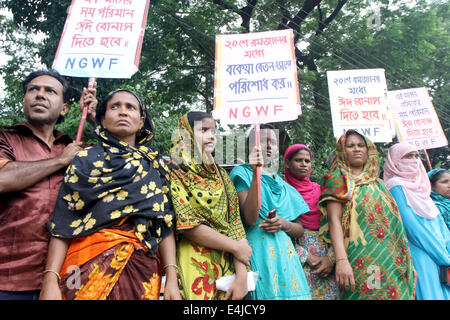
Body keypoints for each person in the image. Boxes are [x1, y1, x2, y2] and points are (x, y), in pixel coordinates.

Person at [39, 89, 180, 300]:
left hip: (141, 268)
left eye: (130, 107)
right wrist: (50, 279)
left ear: (141, 122)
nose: (123, 112)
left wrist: (171, 279)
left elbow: (164, 224)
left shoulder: (157, 165)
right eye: (115, 107)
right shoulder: (85, 159)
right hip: (85, 264)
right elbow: (64, 221)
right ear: (102, 121)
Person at [0, 69, 97, 300]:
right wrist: (61, 161)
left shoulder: (76, 148)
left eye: (50, 91)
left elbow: (126, 159)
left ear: (64, 108)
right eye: (33, 90)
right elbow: (3, 179)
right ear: (24, 102)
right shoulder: (6, 139)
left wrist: (96, 121)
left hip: (64, 277)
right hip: (8, 278)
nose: (40, 95)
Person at [318, 130, 415, 300]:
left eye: (361, 145)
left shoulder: (380, 184)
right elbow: (334, 221)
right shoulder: (337, 179)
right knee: (370, 294)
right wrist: (341, 260)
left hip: (392, 259)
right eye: (350, 146)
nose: (357, 149)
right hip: (362, 258)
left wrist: (408, 262)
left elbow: (395, 226)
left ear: (368, 149)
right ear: (342, 150)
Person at [168, 111, 251, 300]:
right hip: (192, 262)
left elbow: (235, 224)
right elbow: (188, 225)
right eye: (204, 130)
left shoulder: (222, 176)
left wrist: (242, 274)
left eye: (213, 130)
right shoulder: (174, 171)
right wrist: (236, 248)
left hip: (229, 264)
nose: (211, 136)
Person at [230, 124, 311, 300]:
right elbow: (251, 218)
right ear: (251, 145)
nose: (268, 146)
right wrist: (255, 173)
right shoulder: (241, 173)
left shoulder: (283, 184)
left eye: (272, 142)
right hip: (257, 251)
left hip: (286, 256)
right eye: (262, 141)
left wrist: (284, 223)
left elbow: (299, 229)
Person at [384, 143, 449, 300]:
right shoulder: (395, 185)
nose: (413, 160)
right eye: (408, 156)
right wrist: (443, 256)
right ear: (395, 160)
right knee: (430, 294)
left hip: (442, 253)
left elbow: (439, 223)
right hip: (420, 252)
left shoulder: (422, 187)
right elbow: (412, 228)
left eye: (416, 156)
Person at [284, 144, 339, 300]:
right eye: (298, 160)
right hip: (296, 261)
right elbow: (278, 231)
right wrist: (305, 256)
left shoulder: (321, 191)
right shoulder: (281, 192)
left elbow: (336, 224)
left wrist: (330, 258)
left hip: (327, 263)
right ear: (287, 163)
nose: (303, 164)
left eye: (307, 161)